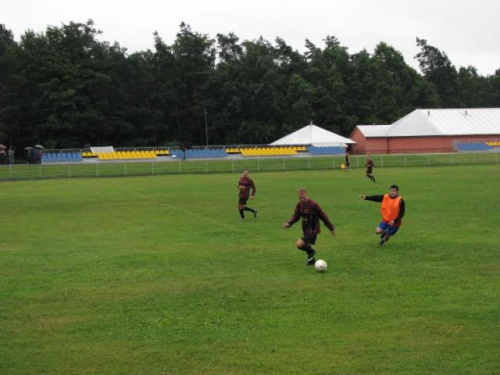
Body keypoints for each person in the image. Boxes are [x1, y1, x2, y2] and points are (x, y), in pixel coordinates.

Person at [282, 188, 336, 265]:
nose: (302, 199)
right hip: (306, 229)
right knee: (303, 245)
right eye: (300, 198)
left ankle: (311, 252)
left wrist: (331, 228)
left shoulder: (314, 205)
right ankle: (311, 260)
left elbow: (323, 216)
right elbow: (296, 216)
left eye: (303, 198)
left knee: (299, 244)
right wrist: (289, 223)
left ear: (307, 195)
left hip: (313, 230)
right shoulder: (299, 204)